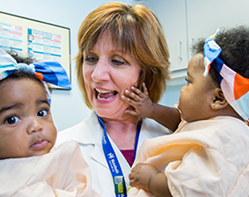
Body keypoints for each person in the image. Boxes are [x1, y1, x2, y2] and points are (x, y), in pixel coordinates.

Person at [123, 26, 249, 196]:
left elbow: (196, 190)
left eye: (189, 81)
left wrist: (152, 179)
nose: (182, 90)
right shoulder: (211, 120)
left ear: (217, 99)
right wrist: (151, 110)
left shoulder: (228, 137)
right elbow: (180, 121)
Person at [0, 39, 99, 197]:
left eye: (42, 112)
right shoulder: (1, 184)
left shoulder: (37, 161)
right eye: (12, 119)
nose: (36, 125)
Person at [54, 2, 181, 196]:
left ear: (146, 74)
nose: (97, 75)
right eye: (91, 58)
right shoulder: (58, 149)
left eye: (117, 61)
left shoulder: (177, 141)